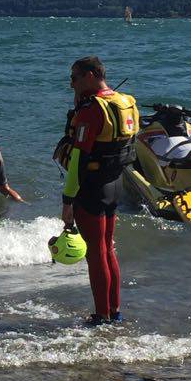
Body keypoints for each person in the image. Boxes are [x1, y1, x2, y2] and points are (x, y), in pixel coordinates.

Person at [55, 57, 139, 326]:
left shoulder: (92, 110)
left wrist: (68, 201)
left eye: (75, 78)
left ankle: (101, 316)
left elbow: (78, 160)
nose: (71, 84)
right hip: (114, 184)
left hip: (91, 188)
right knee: (107, 249)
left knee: (96, 253)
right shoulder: (124, 102)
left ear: (91, 76)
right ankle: (114, 311)